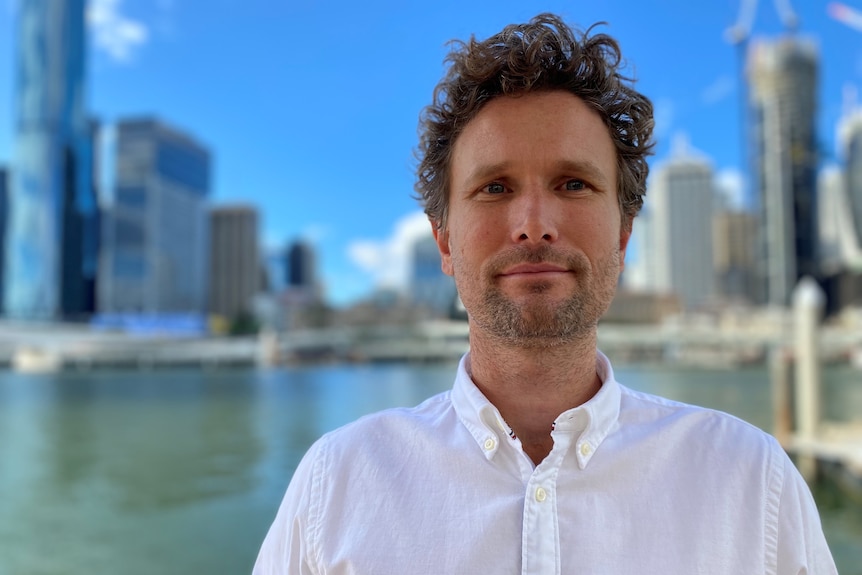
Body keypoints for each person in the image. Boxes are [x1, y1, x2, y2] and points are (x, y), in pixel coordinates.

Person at [253, 13, 837, 574]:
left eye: (574, 183)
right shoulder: (335, 484)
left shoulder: (753, 483)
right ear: (445, 242)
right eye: (495, 187)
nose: (534, 223)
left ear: (624, 235)